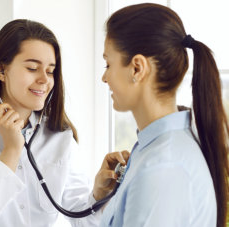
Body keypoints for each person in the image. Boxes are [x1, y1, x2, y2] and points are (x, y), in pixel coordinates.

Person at [0, 19, 127, 227]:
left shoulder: (59, 135)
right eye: (32, 68)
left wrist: (99, 194)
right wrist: (11, 151)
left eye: (50, 71)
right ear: (1, 70)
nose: (44, 79)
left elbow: (84, 221)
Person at [96, 3, 229, 227]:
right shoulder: (156, 149)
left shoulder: (161, 167)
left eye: (108, 64)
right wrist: (101, 197)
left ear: (137, 68)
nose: (104, 78)